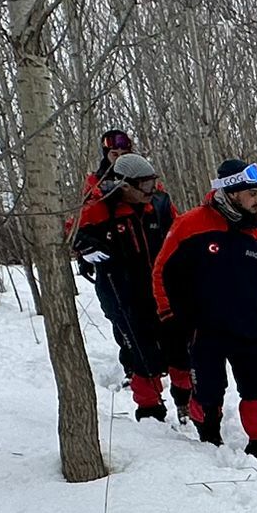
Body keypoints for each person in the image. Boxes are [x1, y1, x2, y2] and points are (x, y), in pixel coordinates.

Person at [152, 157, 257, 470]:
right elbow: (162, 271)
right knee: (209, 394)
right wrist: (168, 315)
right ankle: (208, 438)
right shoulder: (190, 225)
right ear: (231, 192)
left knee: (255, 390)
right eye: (252, 193)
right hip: (204, 330)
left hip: (249, 327)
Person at [69, 153, 193, 422]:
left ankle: (186, 403)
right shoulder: (100, 207)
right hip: (122, 293)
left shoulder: (160, 203)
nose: (151, 191)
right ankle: (150, 412)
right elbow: (70, 231)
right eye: (145, 185)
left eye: (153, 183)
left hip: (163, 289)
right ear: (124, 186)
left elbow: (182, 229)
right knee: (141, 353)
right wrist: (84, 247)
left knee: (180, 348)